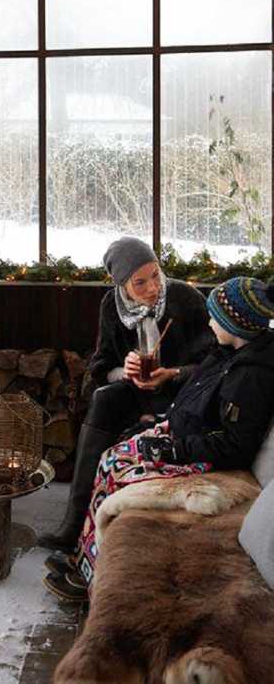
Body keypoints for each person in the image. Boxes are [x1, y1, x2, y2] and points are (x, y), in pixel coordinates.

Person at [45, 276, 274, 600]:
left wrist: (173, 449)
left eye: (215, 317)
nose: (209, 322)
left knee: (119, 472)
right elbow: (195, 397)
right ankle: (86, 561)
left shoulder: (252, 376)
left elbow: (234, 445)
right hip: (178, 434)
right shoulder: (226, 353)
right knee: (110, 458)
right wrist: (163, 421)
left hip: (200, 455)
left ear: (234, 324)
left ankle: (92, 580)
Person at [38, 237, 214, 584]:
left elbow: (213, 363)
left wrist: (173, 373)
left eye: (155, 275)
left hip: (181, 391)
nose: (152, 288)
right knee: (104, 398)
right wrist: (124, 370)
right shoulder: (111, 306)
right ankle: (73, 522)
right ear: (121, 285)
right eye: (140, 282)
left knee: (135, 403)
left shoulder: (185, 298)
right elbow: (101, 365)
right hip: (136, 391)